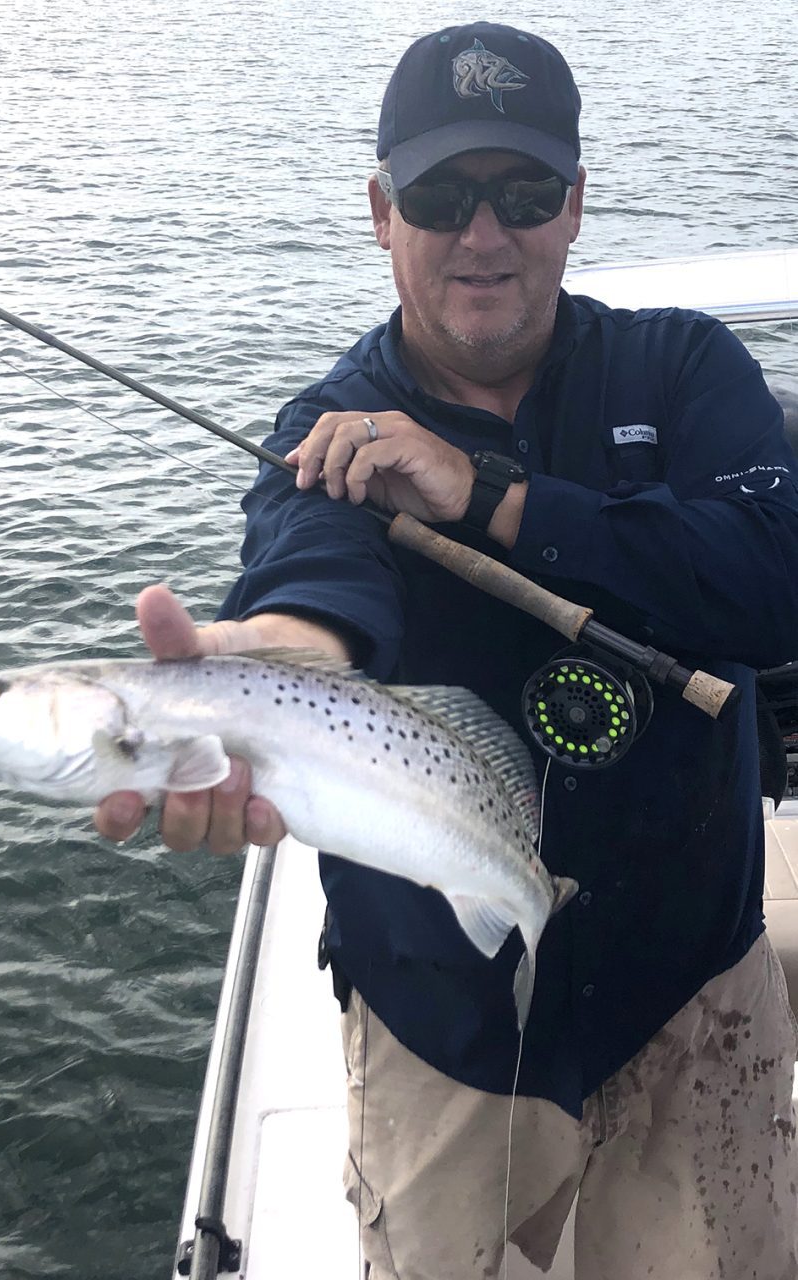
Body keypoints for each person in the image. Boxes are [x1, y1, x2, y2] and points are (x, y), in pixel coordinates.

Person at [97, 22, 798, 1279]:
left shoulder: (684, 364)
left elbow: (776, 578)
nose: (484, 236)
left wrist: (495, 499)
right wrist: (276, 657)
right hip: (446, 1024)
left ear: (575, 206)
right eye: (441, 196)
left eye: (523, 193)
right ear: (381, 211)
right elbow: (315, 578)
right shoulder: (328, 428)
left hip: (691, 983)